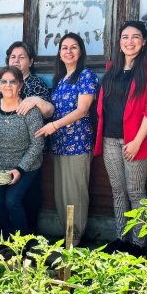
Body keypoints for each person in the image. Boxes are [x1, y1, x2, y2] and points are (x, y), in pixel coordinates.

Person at [95, 21, 147, 248]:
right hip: (110, 139)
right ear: (120, 42)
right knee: (117, 190)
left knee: (135, 192)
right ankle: (120, 239)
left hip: (137, 140)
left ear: (144, 41)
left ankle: (138, 244)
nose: (130, 41)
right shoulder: (111, 67)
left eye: (136, 37)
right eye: (125, 37)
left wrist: (137, 142)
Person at [35, 33, 97, 245]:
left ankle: (75, 238)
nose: (68, 51)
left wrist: (53, 125)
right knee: (62, 194)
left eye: (73, 47)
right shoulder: (60, 80)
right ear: (59, 53)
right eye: (64, 48)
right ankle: (67, 234)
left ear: (81, 52)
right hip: (59, 144)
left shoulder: (86, 76)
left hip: (78, 143)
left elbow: (82, 110)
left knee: (76, 193)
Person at [0, 67, 44, 240]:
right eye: (3, 81)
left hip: (26, 166)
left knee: (12, 201)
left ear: (20, 86)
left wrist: (20, 170)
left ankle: (21, 244)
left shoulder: (30, 110)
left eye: (12, 82)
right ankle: (5, 239)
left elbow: (38, 144)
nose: (8, 86)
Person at [4, 41, 55, 234]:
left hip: (32, 150)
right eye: (12, 57)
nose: (16, 60)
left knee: (29, 195)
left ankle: (29, 237)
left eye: (21, 57)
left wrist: (35, 100)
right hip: (7, 151)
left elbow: (49, 112)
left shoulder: (37, 84)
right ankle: (12, 236)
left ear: (31, 61)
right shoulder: (4, 83)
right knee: (9, 196)